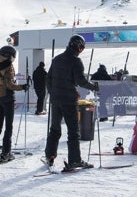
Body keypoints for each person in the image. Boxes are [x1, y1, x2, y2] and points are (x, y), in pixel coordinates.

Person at [44, 34, 100, 171]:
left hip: (56, 100)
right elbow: (81, 81)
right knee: (73, 132)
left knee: (55, 129)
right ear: (77, 46)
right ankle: (74, 160)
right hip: (68, 101)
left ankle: (50, 156)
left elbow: (48, 79)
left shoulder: (56, 59)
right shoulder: (76, 61)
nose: (81, 50)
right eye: (81, 47)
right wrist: (94, 86)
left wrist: (53, 93)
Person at [0, 46, 29, 162]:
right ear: (10, 56)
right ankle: (6, 153)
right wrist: (22, 87)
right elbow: (10, 85)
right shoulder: (8, 66)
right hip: (7, 97)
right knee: (8, 126)